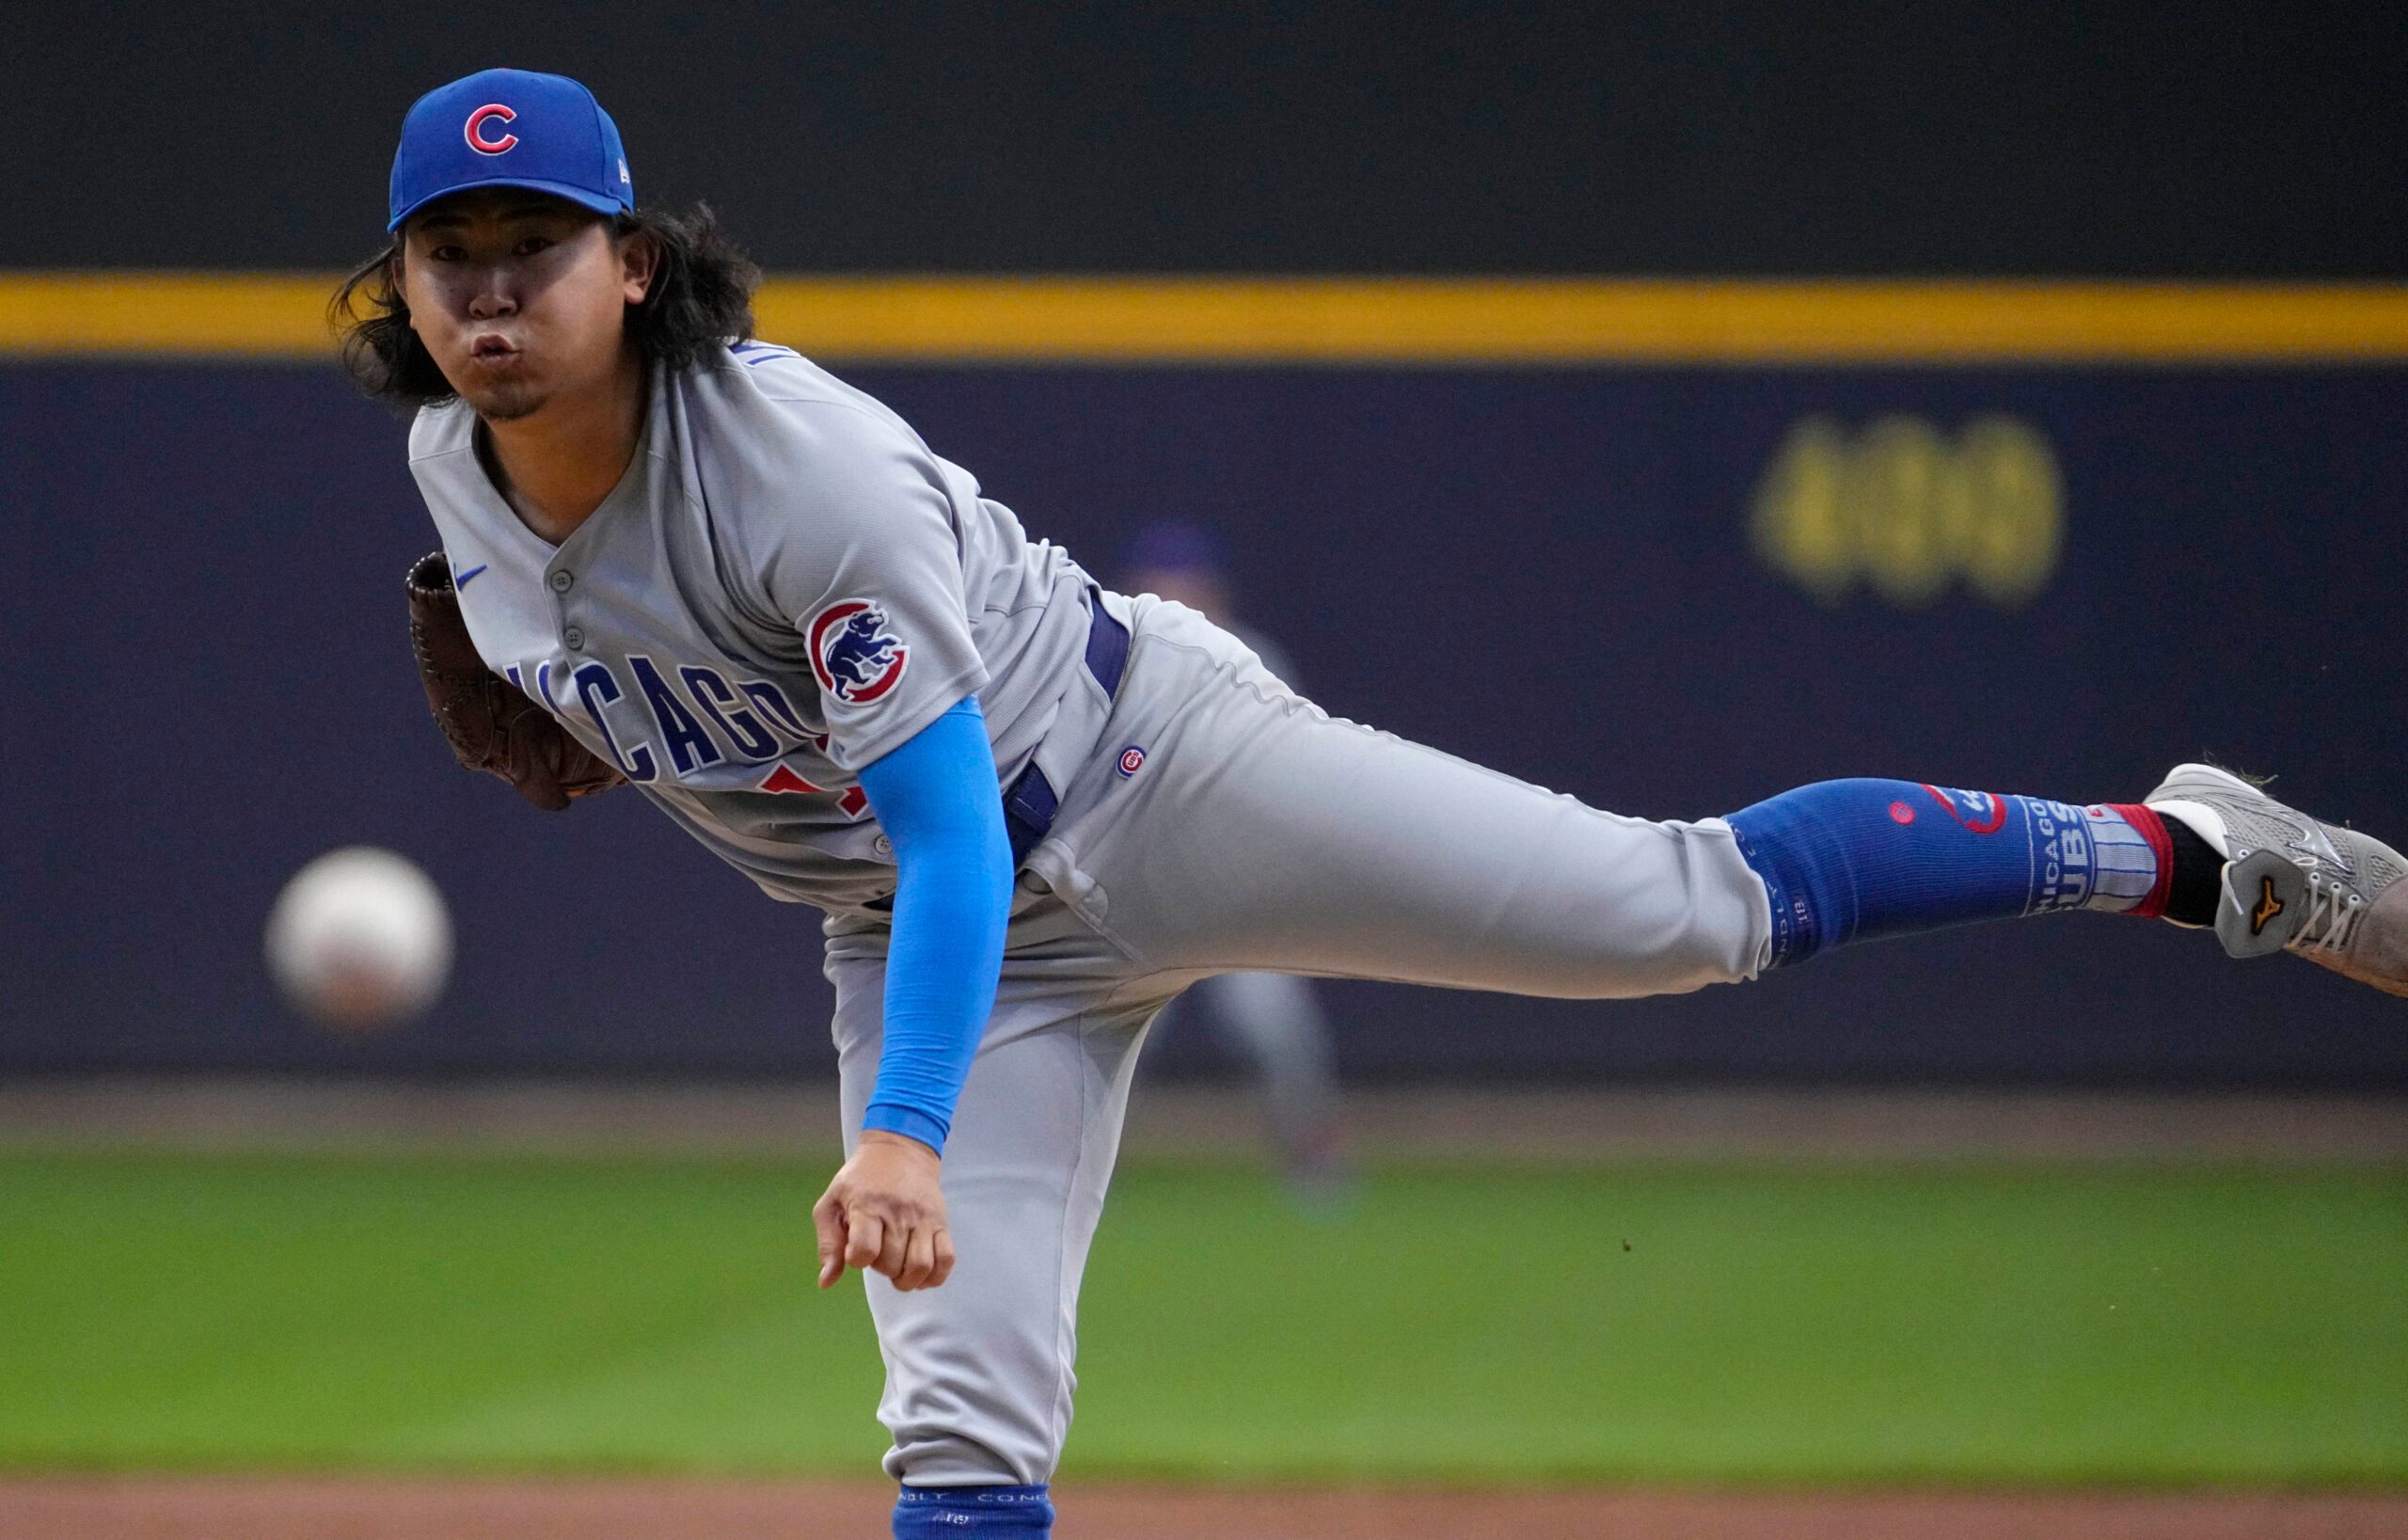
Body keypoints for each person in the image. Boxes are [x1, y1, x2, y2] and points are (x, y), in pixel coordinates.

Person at [346, 69, 2407, 1540]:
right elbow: (695, 735)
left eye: (536, 246)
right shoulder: (459, 468)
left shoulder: (802, 473)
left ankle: (2191, 851)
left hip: (1155, 772)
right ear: (407, 289)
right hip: (923, 927)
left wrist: (902, 1125)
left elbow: (959, 826)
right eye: (452, 257)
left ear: (633, 261)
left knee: (1674, 913)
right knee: (957, 1429)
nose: (493, 290)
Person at [1117, 519, 1349, 1202]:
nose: (1173, 591)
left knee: (1277, 1032)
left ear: (1212, 589)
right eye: (1160, 580)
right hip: (1146, 890)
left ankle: (1315, 1159)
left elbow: (1294, 773)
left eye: (1184, 580)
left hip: (1237, 889)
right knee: (1114, 1041)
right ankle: (1076, 1170)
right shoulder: (1116, 651)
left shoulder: (1256, 658)